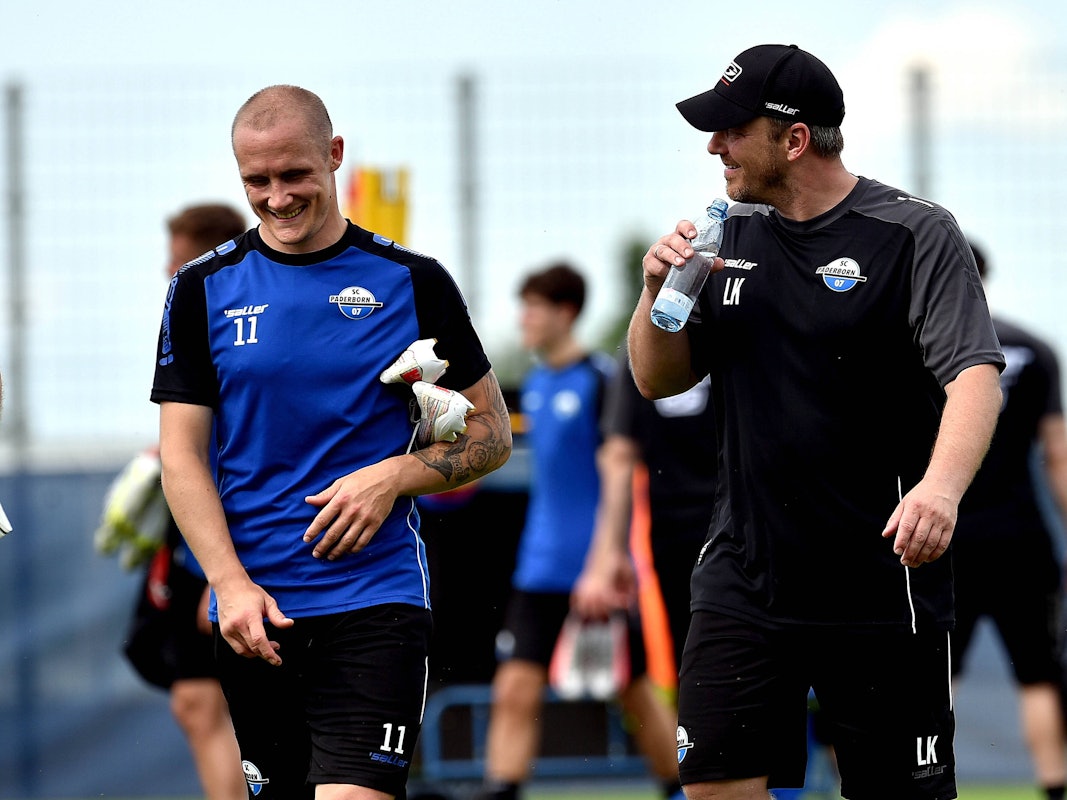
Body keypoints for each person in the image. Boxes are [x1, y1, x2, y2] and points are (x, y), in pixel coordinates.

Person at [627, 43, 1005, 800]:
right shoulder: (725, 235)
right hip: (742, 577)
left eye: (733, 130)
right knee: (714, 787)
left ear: (794, 139)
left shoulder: (913, 232)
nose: (714, 146)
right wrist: (652, 292)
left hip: (881, 580)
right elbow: (656, 379)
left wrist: (938, 490)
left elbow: (974, 374)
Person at [151, 84, 511, 800]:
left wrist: (392, 476)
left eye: (295, 175)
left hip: (377, 598)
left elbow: (491, 433)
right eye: (257, 181)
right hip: (256, 612)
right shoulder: (201, 288)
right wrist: (228, 584)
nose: (277, 198)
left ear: (334, 154)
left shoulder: (414, 282)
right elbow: (181, 456)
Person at [477, 264, 681, 800]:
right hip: (538, 569)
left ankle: (680, 788)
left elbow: (620, 475)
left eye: (533, 307)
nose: (523, 319)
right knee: (514, 687)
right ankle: (501, 791)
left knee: (635, 691)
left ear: (565, 313)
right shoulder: (534, 384)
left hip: (598, 571)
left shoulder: (602, 380)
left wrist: (605, 563)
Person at [130, 202, 248, 800]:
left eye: (177, 263)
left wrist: (221, 574)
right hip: (192, 545)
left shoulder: (239, 335)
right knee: (196, 702)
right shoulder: (191, 329)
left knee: (208, 702)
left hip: (227, 549)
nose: (166, 274)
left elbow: (237, 459)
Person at [951, 241, 1067, 800]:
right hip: (1022, 538)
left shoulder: (920, 347)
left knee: (936, 674)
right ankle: (1053, 786)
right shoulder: (1034, 349)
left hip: (941, 536)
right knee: (1038, 674)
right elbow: (1057, 455)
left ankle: (923, 782)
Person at [571, 345, 716, 690]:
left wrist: (609, 554)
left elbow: (619, 456)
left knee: (702, 663)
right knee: (700, 662)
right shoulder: (642, 347)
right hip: (685, 534)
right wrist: (610, 554)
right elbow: (619, 456)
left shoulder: (737, 334)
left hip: (722, 529)